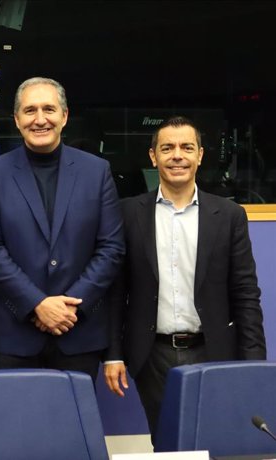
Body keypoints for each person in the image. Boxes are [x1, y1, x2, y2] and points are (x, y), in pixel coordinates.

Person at [103, 116, 266, 443]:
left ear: (200, 155)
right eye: (167, 148)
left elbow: (245, 294)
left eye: (186, 147)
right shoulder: (128, 213)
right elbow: (115, 291)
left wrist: (253, 363)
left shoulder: (229, 216)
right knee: (166, 443)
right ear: (154, 156)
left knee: (217, 441)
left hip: (214, 351)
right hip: (153, 356)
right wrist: (114, 353)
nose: (177, 155)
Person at [0, 77, 125, 381]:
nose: (39, 119)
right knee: (12, 428)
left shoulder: (97, 171)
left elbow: (111, 248)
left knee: (72, 427)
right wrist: (37, 304)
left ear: (64, 116)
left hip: (78, 331)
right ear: (17, 120)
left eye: (48, 109)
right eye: (30, 111)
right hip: (12, 336)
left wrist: (70, 308)